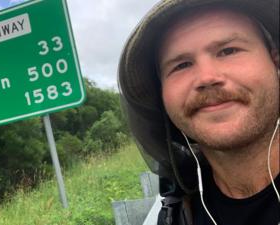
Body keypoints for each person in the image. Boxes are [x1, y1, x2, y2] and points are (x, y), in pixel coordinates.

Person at [118, 0, 279, 224]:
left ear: (275, 62)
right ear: (162, 95)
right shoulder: (174, 214)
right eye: (181, 65)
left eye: (228, 50)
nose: (206, 78)